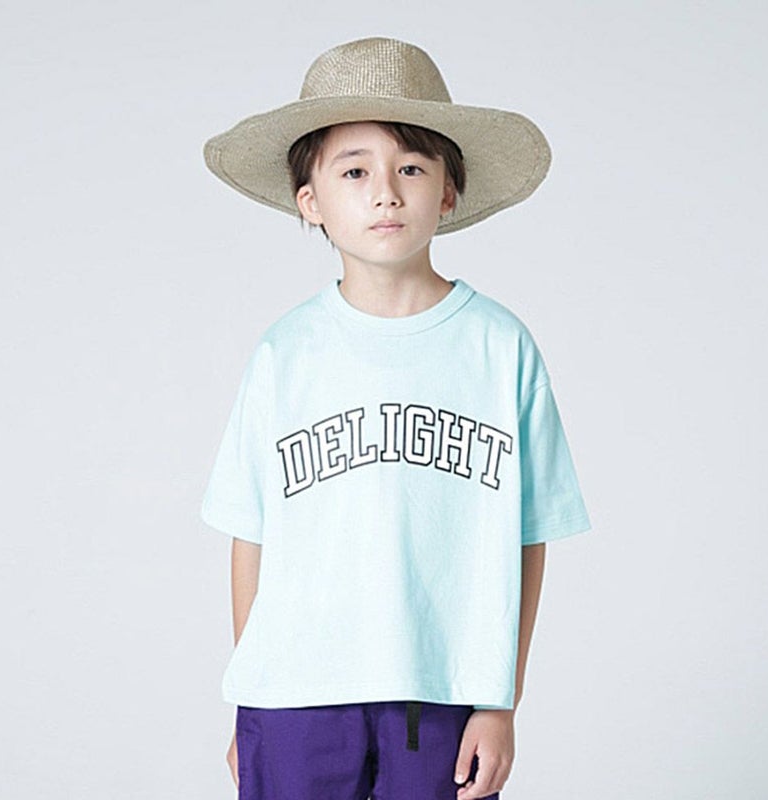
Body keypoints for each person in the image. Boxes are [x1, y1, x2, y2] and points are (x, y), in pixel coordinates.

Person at [200, 36, 592, 800]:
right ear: (310, 201)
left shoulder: (499, 349)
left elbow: (528, 534)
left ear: (448, 190)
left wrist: (500, 701)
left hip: (441, 691)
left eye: (411, 167)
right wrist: (252, 692)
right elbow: (251, 535)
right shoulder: (285, 354)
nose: (385, 192)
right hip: (294, 695)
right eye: (354, 171)